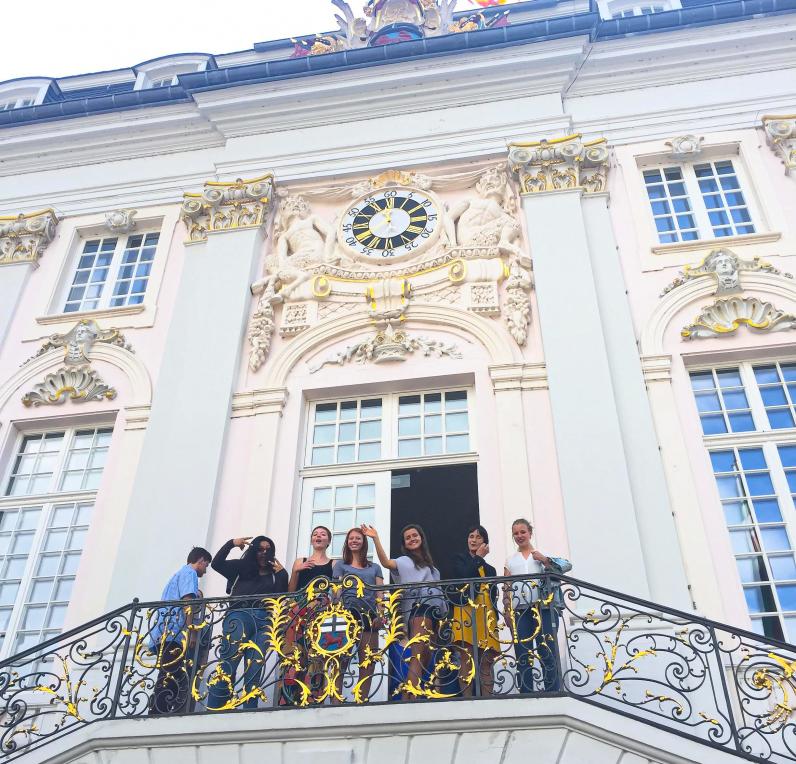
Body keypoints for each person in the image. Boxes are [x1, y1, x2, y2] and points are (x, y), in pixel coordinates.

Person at [361, 523, 447, 699]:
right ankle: (409, 698)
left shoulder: (433, 569)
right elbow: (385, 562)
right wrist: (376, 538)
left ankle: (414, 694)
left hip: (434, 613)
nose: (412, 539)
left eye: (415, 535)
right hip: (418, 609)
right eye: (408, 538)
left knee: (425, 655)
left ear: (421, 538)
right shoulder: (404, 561)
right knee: (417, 654)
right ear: (405, 544)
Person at [208, 535, 288, 710]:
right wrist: (231, 544)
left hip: (264, 621)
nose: (264, 553)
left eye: (268, 550)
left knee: (254, 670)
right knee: (228, 664)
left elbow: (283, 597)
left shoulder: (275, 573)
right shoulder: (241, 566)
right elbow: (217, 564)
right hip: (240, 615)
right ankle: (214, 709)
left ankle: (249, 711)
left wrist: (282, 574)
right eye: (260, 549)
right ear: (254, 550)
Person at [503, 518, 571, 693]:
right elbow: (507, 588)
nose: (519, 536)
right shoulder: (510, 560)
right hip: (520, 611)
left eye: (522, 532)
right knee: (523, 652)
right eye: (516, 533)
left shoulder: (541, 554)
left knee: (546, 649)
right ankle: (526, 692)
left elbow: (564, 567)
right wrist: (507, 609)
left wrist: (545, 560)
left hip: (544, 608)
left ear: (530, 533)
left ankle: (552, 690)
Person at [148, 546, 212, 716]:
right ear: (200, 561)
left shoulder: (178, 575)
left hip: (165, 631)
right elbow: (187, 602)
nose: (205, 571)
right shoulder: (189, 573)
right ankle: (158, 711)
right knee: (170, 673)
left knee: (170, 671)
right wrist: (191, 631)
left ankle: (159, 709)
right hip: (174, 633)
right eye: (206, 565)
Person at [332, 528, 384, 702]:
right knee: (340, 659)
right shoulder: (340, 565)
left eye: (358, 538)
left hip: (369, 615)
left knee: (368, 659)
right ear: (347, 542)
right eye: (351, 538)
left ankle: (361, 700)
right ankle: (335, 701)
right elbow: (336, 590)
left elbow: (379, 593)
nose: (354, 540)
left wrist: (381, 614)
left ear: (364, 542)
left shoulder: (375, 567)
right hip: (347, 614)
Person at [450, 525, 500, 697]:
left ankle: (487, 700)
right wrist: (477, 558)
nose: (473, 540)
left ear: (484, 542)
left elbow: (494, 594)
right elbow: (465, 577)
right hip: (465, 612)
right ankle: (467, 700)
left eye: (478, 537)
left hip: (486, 615)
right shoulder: (458, 559)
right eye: (471, 536)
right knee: (466, 657)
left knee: (486, 660)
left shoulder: (491, 569)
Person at [286, 525, 334, 700]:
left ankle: (313, 696)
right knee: (294, 653)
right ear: (312, 540)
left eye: (322, 534)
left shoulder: (333, 563)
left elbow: (336, 592)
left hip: (321, 612)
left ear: (328, 541)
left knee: (317, 653)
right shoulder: (300, 561)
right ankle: (290, 698)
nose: (318, 536)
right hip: (299, 610)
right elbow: (291, 591)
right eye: (315, 534)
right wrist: (296, 571)